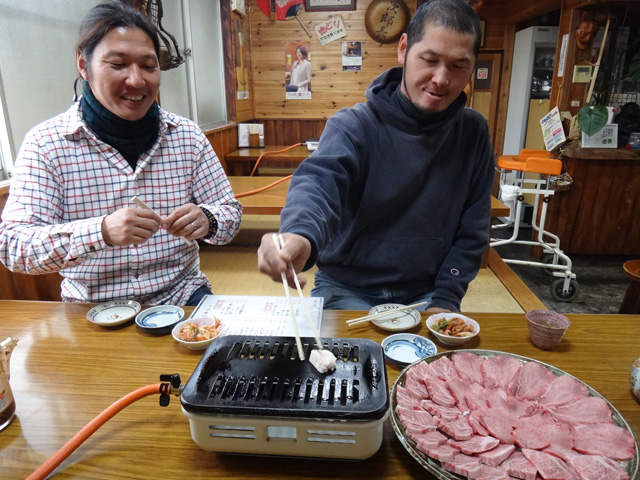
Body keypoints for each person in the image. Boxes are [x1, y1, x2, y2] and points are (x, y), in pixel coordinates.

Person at [258, 0, 494, 313]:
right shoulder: (354, 125)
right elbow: (319, 184)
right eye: (429, 59)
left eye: (457, 65)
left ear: (472, 67)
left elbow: (473, 228)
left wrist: (447, 297)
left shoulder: (473, 132)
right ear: (404, 49)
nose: (440, 78)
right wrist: (300, 234)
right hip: (346, 286)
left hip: (426, 291)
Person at [0, 2, 242, 306]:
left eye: (148, 65)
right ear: (83, 66)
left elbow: (231, 214)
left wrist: (208, 219)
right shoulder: (46, 144)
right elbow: (13, 247)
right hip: (91, 309)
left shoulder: (186, 136)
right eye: (118, 64)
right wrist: (100, 232)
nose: (137, 80)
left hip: (183, 296)